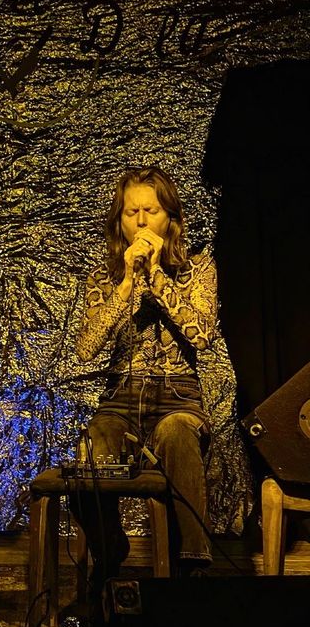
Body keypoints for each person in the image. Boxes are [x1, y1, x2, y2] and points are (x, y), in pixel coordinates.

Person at [73, 165, 218, 591]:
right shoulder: (104, 277)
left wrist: (154, 275)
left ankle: (192, 568)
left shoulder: (199, 269)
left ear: (169, 218)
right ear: (119, 221)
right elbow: (86, 348)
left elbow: (201, 333)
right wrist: (126, 283)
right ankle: (109, 550)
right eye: (130, 212)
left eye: (150, 210)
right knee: (94, 445)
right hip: (121, 394)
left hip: (178, 397)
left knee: (176, 434)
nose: (140, 221)